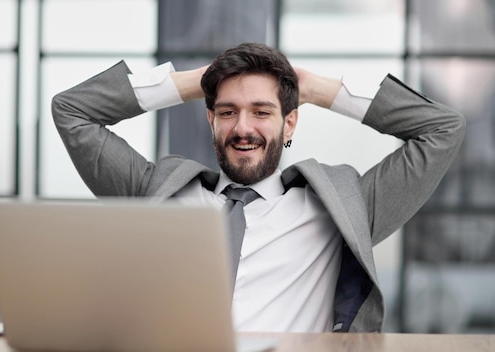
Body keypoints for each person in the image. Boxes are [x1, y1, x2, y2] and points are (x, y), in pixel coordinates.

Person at [51, 43, 465, 333]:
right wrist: (197, 81)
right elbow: (72, 111)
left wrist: (319, 90)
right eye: (228, 112)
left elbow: (442, 129)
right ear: (210, 121)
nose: (243, 128)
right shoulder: (155, 193)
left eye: (261, 112)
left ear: (289, 124)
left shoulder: (343, 207)